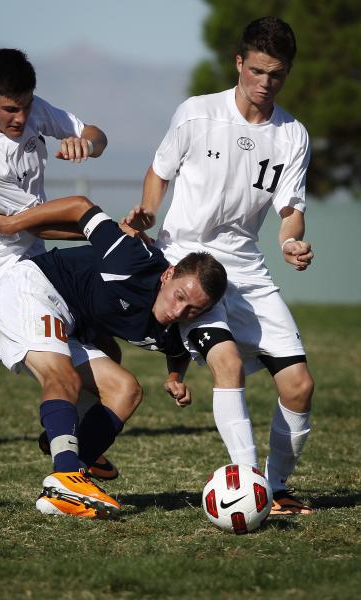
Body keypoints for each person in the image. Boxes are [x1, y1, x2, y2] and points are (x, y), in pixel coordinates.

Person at [124, 16, 315, 515]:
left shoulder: (293, 134)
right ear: (238, 62)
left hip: (246, 267)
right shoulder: (196, 114)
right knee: (226, 363)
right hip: (190, 264)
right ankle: (249, 485)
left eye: (276, 74)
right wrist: (147, 211)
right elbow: (158, 172)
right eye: (256, 70)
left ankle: (271, 489)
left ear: (286, 73)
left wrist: (292, 242)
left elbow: (289, 211)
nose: (265, 83)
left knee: (299, 385)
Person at [0, 194, 228, 518]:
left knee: (126, 389)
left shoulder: (179, 324)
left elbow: (176, 349)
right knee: (62, 378)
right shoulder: (132, 259)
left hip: (68, 322)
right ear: (168, 276)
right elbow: (79, 206)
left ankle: (72, 478)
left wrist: (175, 377)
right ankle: (66, 474)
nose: (178, 311)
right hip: (31, 289)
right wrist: (13, 224)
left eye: (192, 309)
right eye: (179, 296)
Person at [0, 48, 112, 468]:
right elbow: (34, 224)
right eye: (10, 109)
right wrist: (105, 234)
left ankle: (75, 451)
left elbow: (97, 135)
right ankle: (72, 449)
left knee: (102, 348)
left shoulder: (32, 110)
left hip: (32, 270)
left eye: (26, 106)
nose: (20, 118)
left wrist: (84, 143)